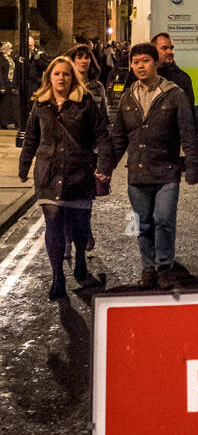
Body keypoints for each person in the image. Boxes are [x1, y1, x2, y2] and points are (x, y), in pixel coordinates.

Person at [18, 55, 113, 300]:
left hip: (78, 173)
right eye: (57, 73)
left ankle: (80, 256)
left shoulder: (86, 103)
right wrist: (24, 166)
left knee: (79, 225)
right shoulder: (40, 104)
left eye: (66, 74)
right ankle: (57, 275)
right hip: (48, 173)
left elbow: (102, 136)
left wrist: (103, 165)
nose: (61, 78)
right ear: (49, 77)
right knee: (53, 222)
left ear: (73, 78)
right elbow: (31, 137)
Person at [111, 41, 198, 289]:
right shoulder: (128, 97)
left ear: (156, 63)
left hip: (167, 171)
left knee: (164, 220)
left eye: (145, 61)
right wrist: (105, 169)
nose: (140, 66)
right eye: (136, 62)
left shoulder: (174, 94)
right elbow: (118, 137)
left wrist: (191, 166)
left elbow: (188, 132)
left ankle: (164, 267)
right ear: (131, 65)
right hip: (137, 174)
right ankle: (147, 267)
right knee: (141, 223)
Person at [63, 44, 110, 258]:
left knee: (85, 198)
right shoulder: (63, 84)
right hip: (64, 153)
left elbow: (105, 118)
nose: (84, 61)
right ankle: (65, 240)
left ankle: (85, 229)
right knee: (62, 198)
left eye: (86, 57)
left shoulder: (97, 87)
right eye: (79, 57)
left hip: (88, 152)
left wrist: (104, 153)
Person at [122, 32, 195, 108]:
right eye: (164, 48)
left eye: (171, 48)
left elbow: (187, 113)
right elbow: (125, 106)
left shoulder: (181, 78)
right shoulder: (138, 75)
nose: (170, 52)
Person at [0, 41, 16, 128]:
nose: (11, 50)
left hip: (10, 83)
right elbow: (0, 73)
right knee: (3, 104)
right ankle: (3, 122)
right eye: (10, 49)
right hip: (4, 83)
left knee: (8, 103)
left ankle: (8, 121)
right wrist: (1, 86)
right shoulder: (1, 59)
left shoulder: (10, 58)